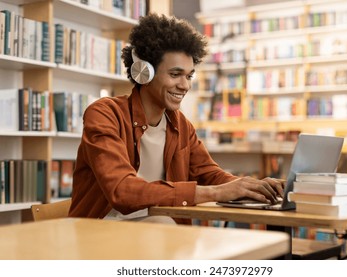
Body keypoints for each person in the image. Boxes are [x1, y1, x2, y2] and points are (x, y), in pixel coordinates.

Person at [69, 13, 284, 224]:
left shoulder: (180, 124)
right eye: (175, 74)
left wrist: (251, 186)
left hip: (158, 233)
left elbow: (209, 174)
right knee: (164, 226)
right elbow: (122, 191)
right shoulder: (104, 114)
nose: (185, 85)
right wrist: (216, 193)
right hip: (100, 231)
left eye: (189, 76)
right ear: (144, 72)